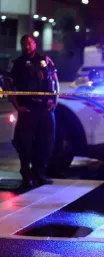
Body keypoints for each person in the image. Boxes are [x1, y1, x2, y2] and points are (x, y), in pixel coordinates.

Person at [8, 34, 59, 188]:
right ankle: (26, 174)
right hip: (27, 109)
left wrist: (55, 100)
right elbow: (10, 87)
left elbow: (55, 80)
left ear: (35, 44)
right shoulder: (17, 64)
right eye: (24, 44)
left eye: (29, 43)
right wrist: (17, 106)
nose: (27, 46)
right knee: (24, 144)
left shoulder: (46, 60)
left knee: (46, 142)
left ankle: (40, 173)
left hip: (45, 108)